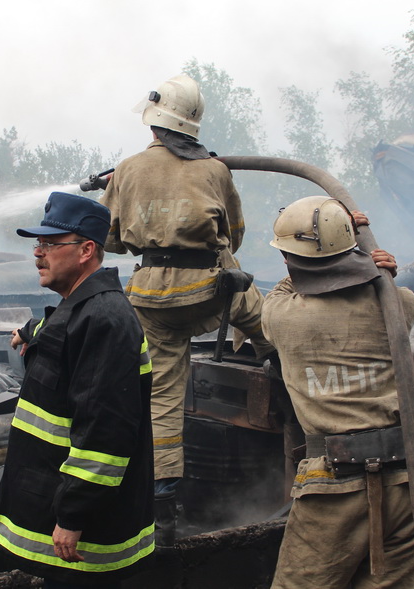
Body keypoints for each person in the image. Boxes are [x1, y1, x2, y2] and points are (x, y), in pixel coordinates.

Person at [99, 73, 276, 544]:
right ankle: (276, 360)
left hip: (153, 298)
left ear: (153, 120)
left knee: (161, 395)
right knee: (268, 321)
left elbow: (112, 240)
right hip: (214, 289)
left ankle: (163, 500)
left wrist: (128, 191)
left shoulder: (129, 168)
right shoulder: (216, 171)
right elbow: (233, 234)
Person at [260, 195, 414, 588]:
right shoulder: (397, 302)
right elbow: (387, 292)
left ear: (288, 259)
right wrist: (367, 259)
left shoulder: (282, 315)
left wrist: (336, 250)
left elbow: (290, 280)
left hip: (334, 485)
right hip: (408, 478)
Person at [0, 192, 155, 588]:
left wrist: (72, 515)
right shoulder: (79, 307)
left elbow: (106, 432)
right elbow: (62, 338)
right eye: (37, 244)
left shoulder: (105, 320)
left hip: (83, 537)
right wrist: (29, 334)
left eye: (49, 244)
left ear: (86, 250)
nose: (38, 254)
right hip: (58, 506)